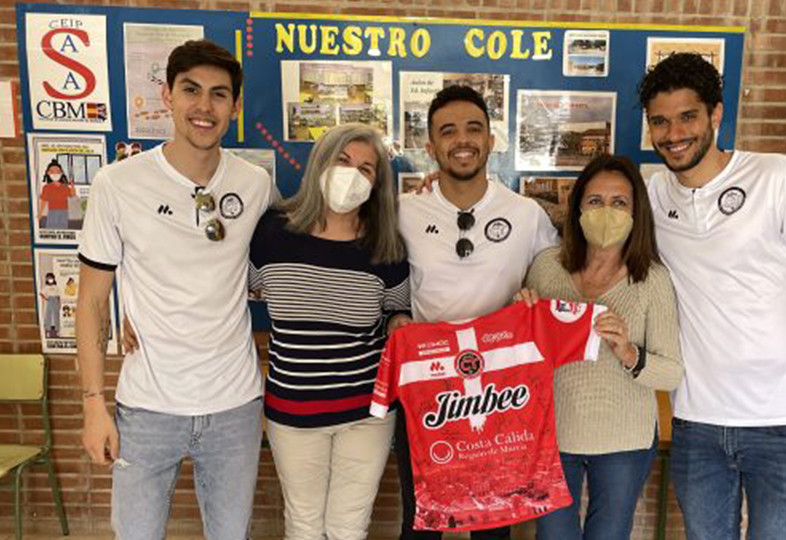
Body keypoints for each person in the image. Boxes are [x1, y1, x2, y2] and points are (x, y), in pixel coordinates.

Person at [638, 53, 786, 539]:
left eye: (687, 117)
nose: (673, 135)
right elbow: (592, 218)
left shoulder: (775, 176)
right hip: (696, 423)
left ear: (715, 114)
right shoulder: (653, 194)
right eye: (660, 122)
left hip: (784, 420)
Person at [76, 39, 274, 540]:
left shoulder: (255, 184)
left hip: (235, 405)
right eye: (190, 91)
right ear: (166, 95)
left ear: (234, 106)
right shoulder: (117, 183)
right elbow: (92, 300)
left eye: (218, 95)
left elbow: (310, 242)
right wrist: (92, 404)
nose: (203, 107)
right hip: (146, 407)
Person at [395, 84, 559, 539]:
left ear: (490, 140)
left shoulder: (526, 215)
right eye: (447, 131)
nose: (461, 140)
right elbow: (385, 287)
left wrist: (533, 302)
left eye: (473, 129)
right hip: (428, 396)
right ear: (430, 147)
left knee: (492, 528)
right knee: (421, 523)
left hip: (500, 400)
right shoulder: (403, 212)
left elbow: (553, 283)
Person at [249, 123, 411, 540]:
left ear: (377, 184)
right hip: (293, 410)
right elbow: (227, 289)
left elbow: (396, 310)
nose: (352, 174)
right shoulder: (270, 234)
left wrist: (401, 324)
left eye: (367, 169)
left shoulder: (385, 245)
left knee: (348, 527)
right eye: (343, 161)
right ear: (321, 162)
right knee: (303, 524)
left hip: (367, 412)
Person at [521, 154, 683, 540]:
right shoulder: (547, 267)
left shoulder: (652, 281)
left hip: (623, 440)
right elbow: (525, 356)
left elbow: (672, 371)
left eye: (619, 203)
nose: (606, 211)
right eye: (595, 202)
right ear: (578, 208)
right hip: (552, 436)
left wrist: (629, 352)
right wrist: (520, 316)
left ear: (635, 212)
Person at [38, 160, 76, 230]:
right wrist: (40, 213)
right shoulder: (46, 187)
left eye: (58, 172)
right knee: (51, 230)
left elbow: (72, 194)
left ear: (61, 173)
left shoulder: (64, 187)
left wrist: (72, 185)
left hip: (64, 212)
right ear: (48, 173)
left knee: (63, 230)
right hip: (52, 211)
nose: (55, 174)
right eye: (52, 172)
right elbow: (43, 201)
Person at [40, 272, 60, 338]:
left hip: (55, 300)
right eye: (49, 278)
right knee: (49, 315)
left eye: (51, 278)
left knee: (56, 315)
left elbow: (58, 296)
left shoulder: (56, 287)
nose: (50, 279)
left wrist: (59, 303)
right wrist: (46, 298)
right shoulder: (46, 287)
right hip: (50, 300)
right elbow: (41, 293)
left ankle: (57, 331)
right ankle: (48, 331)